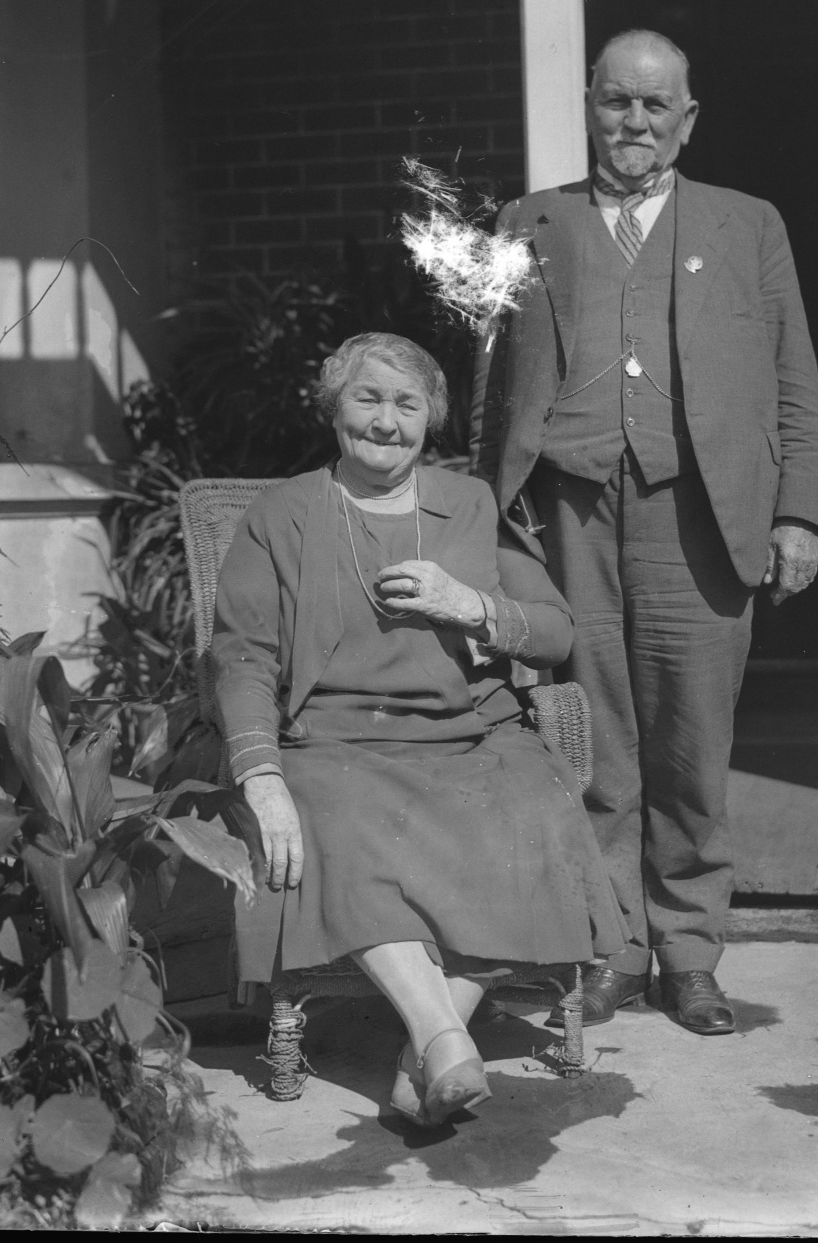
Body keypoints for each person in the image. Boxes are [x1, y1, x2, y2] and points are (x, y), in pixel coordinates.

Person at [470, 30, 818, 1036]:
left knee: (689, 739)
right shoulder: (529, 220)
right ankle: (612, 947)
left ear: (687, 119)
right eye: (616, 103)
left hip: (699, 513)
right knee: (592, 735)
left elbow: (794, 377)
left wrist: (798, 508)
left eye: (653, 107)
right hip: (564, 510)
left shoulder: (749, 224)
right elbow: (486, 384)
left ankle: (691, 952)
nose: (633, 123)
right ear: (590, 104)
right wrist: (477, 512)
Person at [212, 332, 627, 1127]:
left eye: (407, 404)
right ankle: (442, 1037)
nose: (386, 421)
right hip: (333, 743)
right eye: (368, 398)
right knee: (332, 817)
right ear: (335, 406)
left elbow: (554, 631)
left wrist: (465, 604)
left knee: (531, 809)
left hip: (471, 737)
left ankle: (427, 1054)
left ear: (430, 421)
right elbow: (241, 655)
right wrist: (260, 774)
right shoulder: (281, 515)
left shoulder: (469, 504)